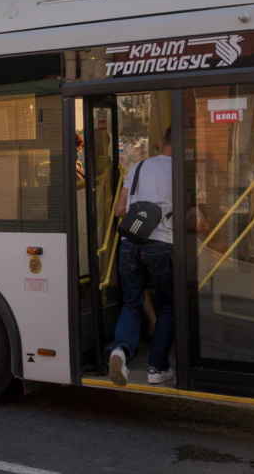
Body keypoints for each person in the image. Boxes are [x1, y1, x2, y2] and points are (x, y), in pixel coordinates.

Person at [109, 127, 174, 386]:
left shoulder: (137, 168)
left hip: (130, 243)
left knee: (131, 304)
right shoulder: (183, 170)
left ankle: (119, 351)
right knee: (167, 307)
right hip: (161, 244)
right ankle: (157, 369)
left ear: (161, 141)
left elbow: (119, 210)